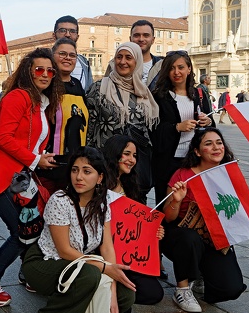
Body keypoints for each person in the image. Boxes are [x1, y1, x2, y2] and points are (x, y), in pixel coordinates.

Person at [0, 48, 64, 307]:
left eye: (50, 70)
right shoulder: (18, 97)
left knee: (31, 229)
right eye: (39, 69)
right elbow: (3, 138)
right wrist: (35, 160)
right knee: (20, 232)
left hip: (20, 178)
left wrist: (39, 156)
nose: (45, 74)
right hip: (2, 176)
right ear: (28, 71)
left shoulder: (40, 102)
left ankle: (31, 275)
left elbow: (30, 141)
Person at [21, 146, 135, 313]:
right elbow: (64, 250)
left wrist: (113, 287)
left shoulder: (102, 203)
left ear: (100, 178)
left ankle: (73, 308)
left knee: (126, 296)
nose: (79, 177)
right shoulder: (60, 200)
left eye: (86, 171)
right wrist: (104, 269)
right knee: (89, 275)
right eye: (75, 170)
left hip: (77, 263)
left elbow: (107, 247)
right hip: (44, 263)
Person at [161, 128, 249, 312]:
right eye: (208, 143)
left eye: (219, 142)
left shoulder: (228, 175)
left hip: (212, 236)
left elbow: (237, 210)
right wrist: (176, 200)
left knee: (230, 289)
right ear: (197, 151)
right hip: (179, 236)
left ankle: (200, 274)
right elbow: (168, 217)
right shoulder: (183, 174)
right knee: (189, 238)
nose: (216, 147)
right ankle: (182, 288)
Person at [86, 42, 158, 203]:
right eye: (119, 57)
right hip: (106, 166)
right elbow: (89, 127)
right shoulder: (100, 88)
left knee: (133, 212)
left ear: (137, 62)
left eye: (128, 57)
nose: (123, 61)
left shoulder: (143, 91)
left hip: (134, 169)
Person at [102, 135, 164, 305]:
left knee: (154, 293)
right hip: (101, 252)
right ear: (114, 154)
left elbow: (137, 223)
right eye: (127, 154)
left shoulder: (129, 184)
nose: (131, 160)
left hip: (126, 253)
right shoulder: (98, 181)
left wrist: (154, 231)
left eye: (135, 156)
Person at [150, 51, 213, 204]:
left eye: (181, 67)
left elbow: (211, 127)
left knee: (193, 202)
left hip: (194, 159)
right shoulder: (159, 96)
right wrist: (177, 127)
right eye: (171, 68)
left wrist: (208, 122)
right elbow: (153, 130)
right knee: (167, 202)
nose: (176, 72)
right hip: (168, 161)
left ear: (189, 69)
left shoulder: (199, 94)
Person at [36, 37, 88, 193]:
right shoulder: (46, 84)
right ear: (53, 56)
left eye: (72, 55)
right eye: (62, 53)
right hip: (49, 165)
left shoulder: (77, 85)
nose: (68, 58)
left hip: (74, 164)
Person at [52, 15, 92, 90]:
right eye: (63, 30)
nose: (67, 34)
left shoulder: (84, 63)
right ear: (54, 36)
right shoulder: (43, 60)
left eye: (72, 31)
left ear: (77, 36)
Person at [130, 20, 163, 87]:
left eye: (146, 35)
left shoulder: (163, 66)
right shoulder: (117, 65)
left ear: (153, 40)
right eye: (136, 35)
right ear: (130, 39)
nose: (141, 39)